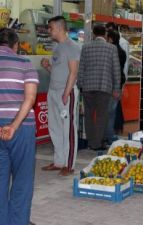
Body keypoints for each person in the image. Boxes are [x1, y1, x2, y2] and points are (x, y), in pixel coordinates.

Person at [0, 28, 39, 225]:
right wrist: (14, 126)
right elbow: (30, 99)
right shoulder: (25, 63)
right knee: (22, 180)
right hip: (21, 128)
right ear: (15, 45)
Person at [41, 16, 81, 176]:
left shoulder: (72, 46)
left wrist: (66, 93)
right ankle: (59, 161)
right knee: (54, 127)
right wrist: (48, 67)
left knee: (68, 128)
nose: (49, 31)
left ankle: (69, 165)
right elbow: (58, 71)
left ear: (58, 28)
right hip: (53, 91)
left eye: (50, 28)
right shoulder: (57, 47)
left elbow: (73, 72)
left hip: (66, 92)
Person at [77, 24, 121, 151]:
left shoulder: (85, 47)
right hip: (104, 86)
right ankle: (97, 143)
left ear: (94, 34)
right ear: (105, 34)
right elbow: (116, 69)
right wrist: (116, 88)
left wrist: (80, 84)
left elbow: (82, 68)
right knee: (102, 116)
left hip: (88, 87)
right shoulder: (111, 48)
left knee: (89, 115)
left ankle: (91, 141)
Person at [105, 29, 127, 142]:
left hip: (110, 83)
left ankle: (107, 136)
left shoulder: (110, 51)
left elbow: (113, 70)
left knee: (108, 112)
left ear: (110, 39)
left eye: (106, 38)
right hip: (119, 82)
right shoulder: (122, 52)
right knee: (113, 110)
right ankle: (111, 134)